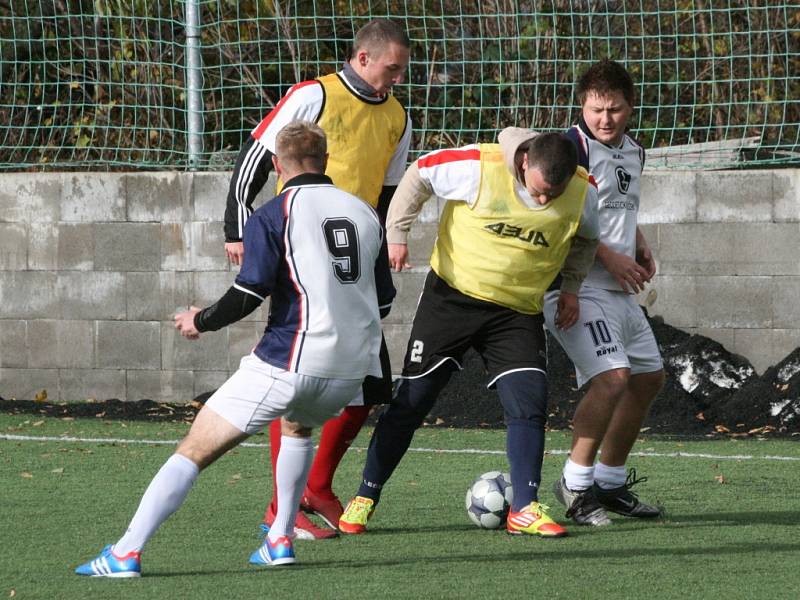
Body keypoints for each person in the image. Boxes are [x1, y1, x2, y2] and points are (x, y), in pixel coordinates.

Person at [75, 121, 395, 576]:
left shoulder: (276, 212)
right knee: (298, 428)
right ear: (325, 162)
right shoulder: (365, 213)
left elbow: (248, 293)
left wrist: (199, 320)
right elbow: (383, 300)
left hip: (291, 360)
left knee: (195, 448)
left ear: (275, 164)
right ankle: (280, 539)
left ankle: (126, 551)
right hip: (348, 373)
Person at [338, 130, 600, 537]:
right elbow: (419, 174)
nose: (544, 201)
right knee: (412, 401)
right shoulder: (479, 165)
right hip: (451, 303)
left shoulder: (584, 190)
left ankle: (525, 508)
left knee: (529, 403)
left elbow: (586, 239)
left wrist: (570, 289)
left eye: (553, 195)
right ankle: (366, 495)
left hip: (517, 312)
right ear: (525, 162)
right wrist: (397, 233)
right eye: (538, 191)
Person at [222, 18, 412, 539]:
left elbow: (389, 191)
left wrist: (388, 238)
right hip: (303, 254)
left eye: (402, 69)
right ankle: (281, 509)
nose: (396, 78)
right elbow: (256, 157)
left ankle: (317, 487)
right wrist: (236, 228)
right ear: (365, 57)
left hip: (353, 259)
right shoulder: (315, 95)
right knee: (299, 379)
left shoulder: (397, 114)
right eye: (391, 68)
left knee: (369, 382)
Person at [544, 59, 665, 526]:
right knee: (612, 377)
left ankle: (610, 484)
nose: (605, 119)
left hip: (617, 290)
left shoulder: (634, 151)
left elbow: (617, 209)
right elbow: (557, 221)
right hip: (573, 287)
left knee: (648, 377)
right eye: (596, 109)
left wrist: (637, 241)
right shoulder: (567, 149)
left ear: (630, 108)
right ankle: (575, 486)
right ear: (582, 106)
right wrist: (609, 257)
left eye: (614, 109)